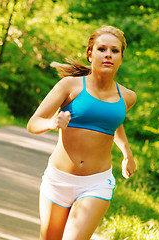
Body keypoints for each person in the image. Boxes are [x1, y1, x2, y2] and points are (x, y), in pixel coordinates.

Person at [27, 25, 137, 240]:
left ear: (121, 58)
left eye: (114, 51)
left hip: (96, 183)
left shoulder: (128, 97)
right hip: (58, 180)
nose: (108, 55)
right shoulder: (70, 86)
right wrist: (53, 123)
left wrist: (127, 154)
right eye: (102, 49)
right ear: (90, 53)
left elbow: (112, 123)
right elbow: (33, 123)